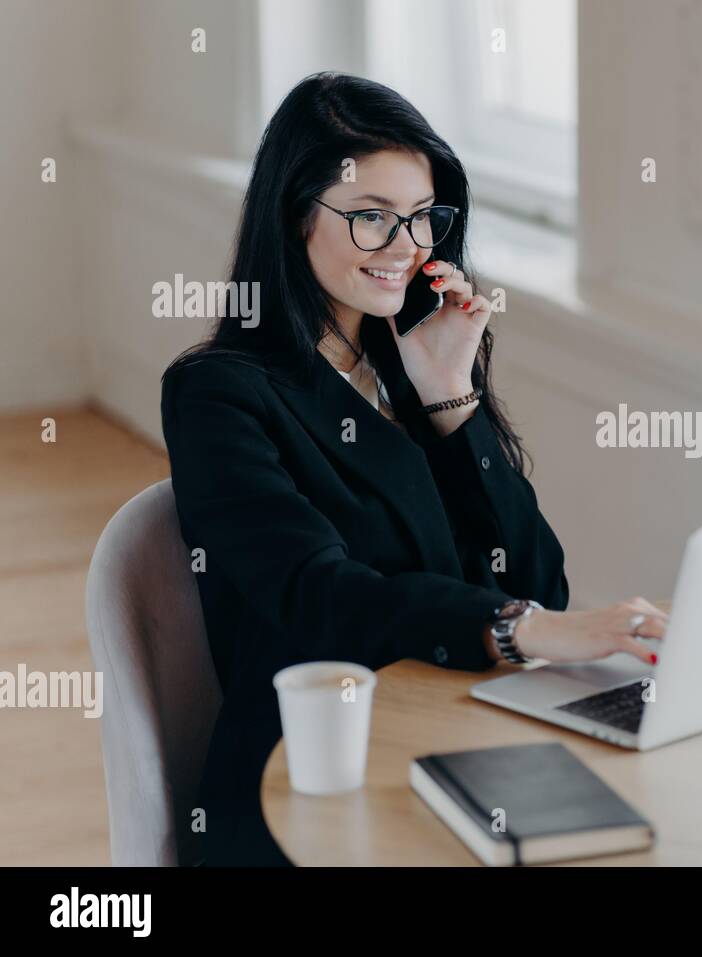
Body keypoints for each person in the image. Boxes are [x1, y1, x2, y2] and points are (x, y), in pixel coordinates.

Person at [160, 73, 667, 865]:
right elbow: (316, 593)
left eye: (422, 217)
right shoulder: (219, 392)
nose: (408, 248)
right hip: (307, 776)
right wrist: (519, 626)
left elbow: (537, 576)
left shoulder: (410, 362)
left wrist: (450, 400)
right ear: (296, 215)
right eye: (371, 218)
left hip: (452, 729)